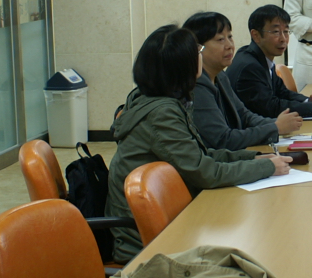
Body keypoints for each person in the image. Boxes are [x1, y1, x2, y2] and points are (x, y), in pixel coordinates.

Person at [107, 25, 292, 262]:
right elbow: (206, 173)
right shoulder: (162, 113)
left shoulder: (163, 99)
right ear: (181, 65)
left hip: (170, 219)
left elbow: (200, 154)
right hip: (146, 240)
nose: (200, 54)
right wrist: (266, 168)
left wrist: (253, 158)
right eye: (197, 50)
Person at [185, 10, 303, 149]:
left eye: (230, 37)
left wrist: (277, 124)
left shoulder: (220, 76)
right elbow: (223, 140)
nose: (229, 45)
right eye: (220, 39)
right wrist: (275, 128)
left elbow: (244, 116)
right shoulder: (196, 86)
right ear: (197, 48)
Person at [227, 4, 312, 119]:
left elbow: (282, 93)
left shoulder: (259, 57)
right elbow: (271, 108)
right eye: (275, 32)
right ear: (256, 35)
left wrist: (311, 101)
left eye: (286, 32)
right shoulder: (249, 66)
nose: (283, 39)